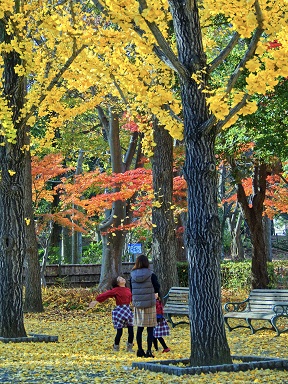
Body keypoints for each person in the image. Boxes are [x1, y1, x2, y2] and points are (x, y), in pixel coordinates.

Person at [89, 276, 134, 352]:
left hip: (128, 311)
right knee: (119, 332)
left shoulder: (128, 290)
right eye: (119, 279)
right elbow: (106, 294)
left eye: (123, 278)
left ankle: (129, 347)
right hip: (120, 311)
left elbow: (132, 299)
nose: (122, 279)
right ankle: (116, 347)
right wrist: (97, 301)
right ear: (117, 283)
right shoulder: (116, 290)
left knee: (131, 330)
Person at [130, 254, 160, 358]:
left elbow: (131, 289)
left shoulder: (132, 275)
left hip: (138, 304)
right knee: (150, 328)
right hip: (149, 304)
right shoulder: (151, 274)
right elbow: (157, 287)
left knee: (139, 328)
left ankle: (139, 350)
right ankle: (148, 351)